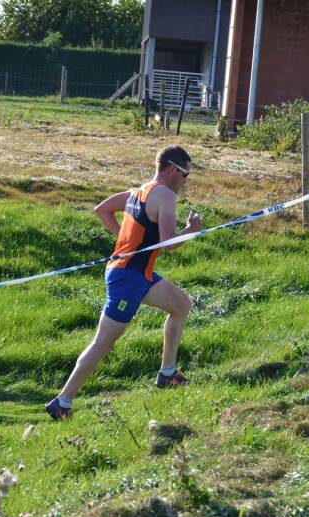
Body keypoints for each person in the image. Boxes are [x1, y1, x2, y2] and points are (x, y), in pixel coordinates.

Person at [46, 145, 202, 420]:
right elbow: (167, 244)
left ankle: (167, 374)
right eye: (185, 174)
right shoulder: (165, 195)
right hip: (128, 279)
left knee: (181, 305)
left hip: (139, 274)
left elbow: (102, 210)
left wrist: (126, 243)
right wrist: (192, 231)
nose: (185, 181)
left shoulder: (137, 191)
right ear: (171, 169)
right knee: (103, 343)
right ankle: (62, 402)